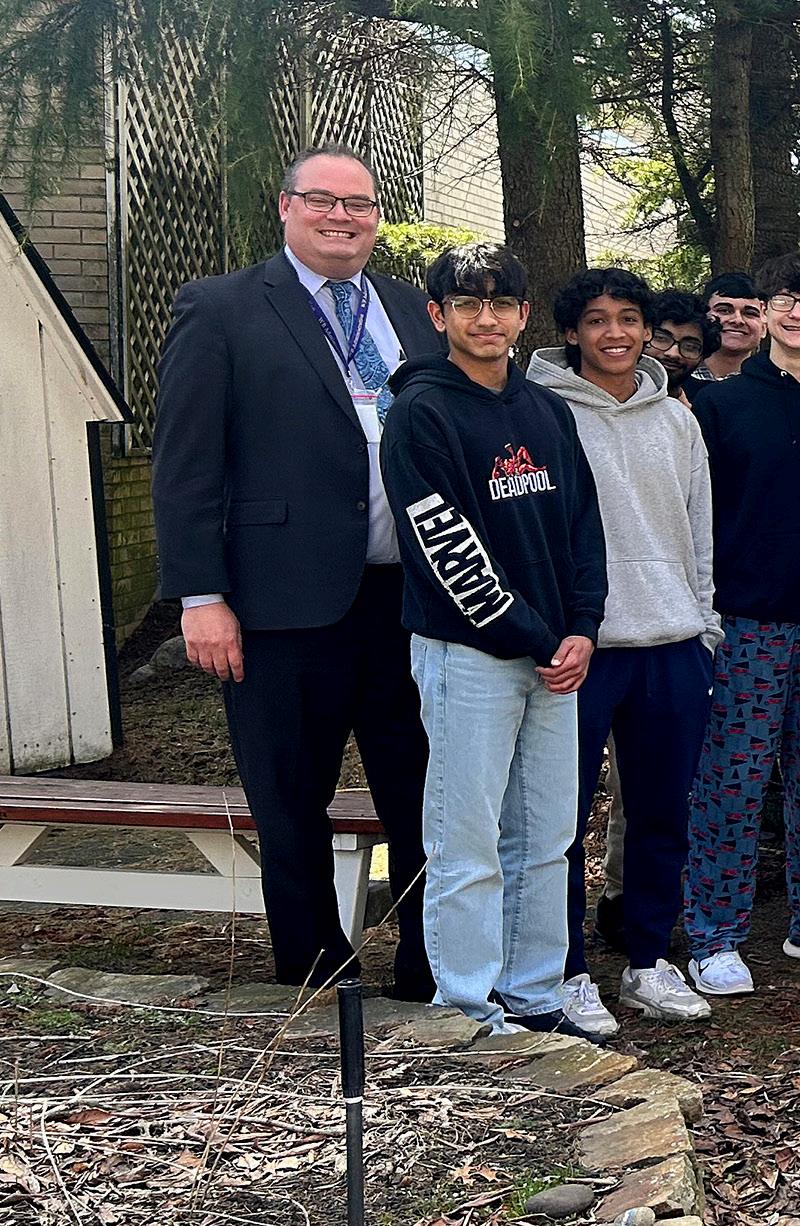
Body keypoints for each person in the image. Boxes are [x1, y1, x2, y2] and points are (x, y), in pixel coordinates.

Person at [151, 146, 441, 999]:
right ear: (285, 207)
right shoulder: (221, 308)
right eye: (322, 200)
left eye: (358, 204)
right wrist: (201, 596)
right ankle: (316, 974)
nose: (341, 217)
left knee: (424, 795)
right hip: (280, 605)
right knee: (290, 800)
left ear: (377, 217)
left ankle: (431, 969)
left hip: (409, 602)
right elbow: (186, 465)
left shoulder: (410, 309)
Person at [381, 241, 606, 1034]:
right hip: (468, 655)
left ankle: (535, 995)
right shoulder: (420, 412)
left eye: (501, 303)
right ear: (438, 315)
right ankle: (467, 1007)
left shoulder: (547, 410)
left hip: (557, 660)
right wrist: (537, 637)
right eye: (467, 303)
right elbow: (443, 544)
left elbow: (583, 525)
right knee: (466, 841)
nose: (486, 318)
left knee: (545, 837)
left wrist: (582, 628)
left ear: (522, 314)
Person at [528, 267, 719, 1032]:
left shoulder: (676, 419)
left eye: (630, 318)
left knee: (661, 816)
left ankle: (647, 960)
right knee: (559, 822)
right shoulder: (540, 411)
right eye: (598, 320)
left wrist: (704, 629)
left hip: (672, 646)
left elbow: (699, 530)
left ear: (647, 329)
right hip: (581, 650)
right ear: (571, 333)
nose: (616, 333)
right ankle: (565, 971)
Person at [681, 252, 800, 997]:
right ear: (761, 314)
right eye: (784, 300)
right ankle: (714, 935)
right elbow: (694, 514)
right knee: (734, 780)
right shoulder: (720, 404)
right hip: (746, 621)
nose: (798, 313)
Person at [695, 271, 764, 384]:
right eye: (724, 310)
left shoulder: (776, 387)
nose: (737, 320)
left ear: (764, 328)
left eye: (750, 313)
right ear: (703, 318)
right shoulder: (671, 380)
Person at [648, 289, 709, 399]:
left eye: (689, 347)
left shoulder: (704, 403)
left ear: (702, 357)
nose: (673, 354)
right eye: (661, 338)